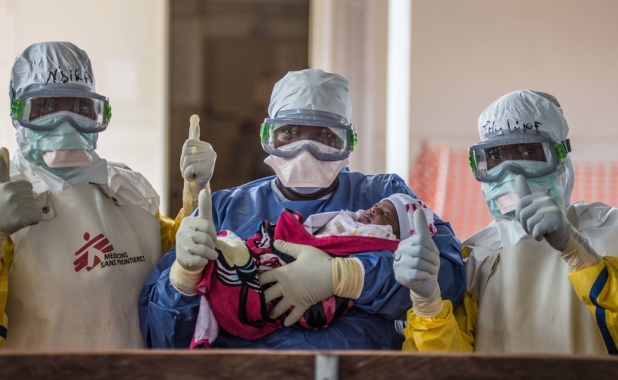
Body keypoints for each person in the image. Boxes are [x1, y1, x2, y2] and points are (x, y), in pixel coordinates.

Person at [139, 69, 466, 350]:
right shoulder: (224, 209)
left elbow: (449, 276)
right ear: (268, 137)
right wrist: (182, 279)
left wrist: (348, 277)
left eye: (325, 136)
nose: (306, 151)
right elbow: (160, 338)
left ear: (348, 143)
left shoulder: (385, 197)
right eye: (290, 134)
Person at [0, 41, 216, 350]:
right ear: (17, 113)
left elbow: (174, 275)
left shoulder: (128, 189)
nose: (64, 123)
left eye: (79, 108)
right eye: (44, 109)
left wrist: (194, 201)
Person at [395, 90, 618, 356]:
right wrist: (428, 303)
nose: (511, 174)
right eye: (495, 158)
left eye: (528, 153)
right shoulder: (473, 256)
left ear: (561, 158)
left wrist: (579, 253)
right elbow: (444, 369)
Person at [189, 193, 438, 348]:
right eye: (376, 206)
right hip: (292, 258)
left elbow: (447, 274)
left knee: (246, 280)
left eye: (385, 215)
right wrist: (184, 273)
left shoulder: (387, 248)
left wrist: (342, 274)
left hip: (316, 294)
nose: (374, 210)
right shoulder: (228, 202)